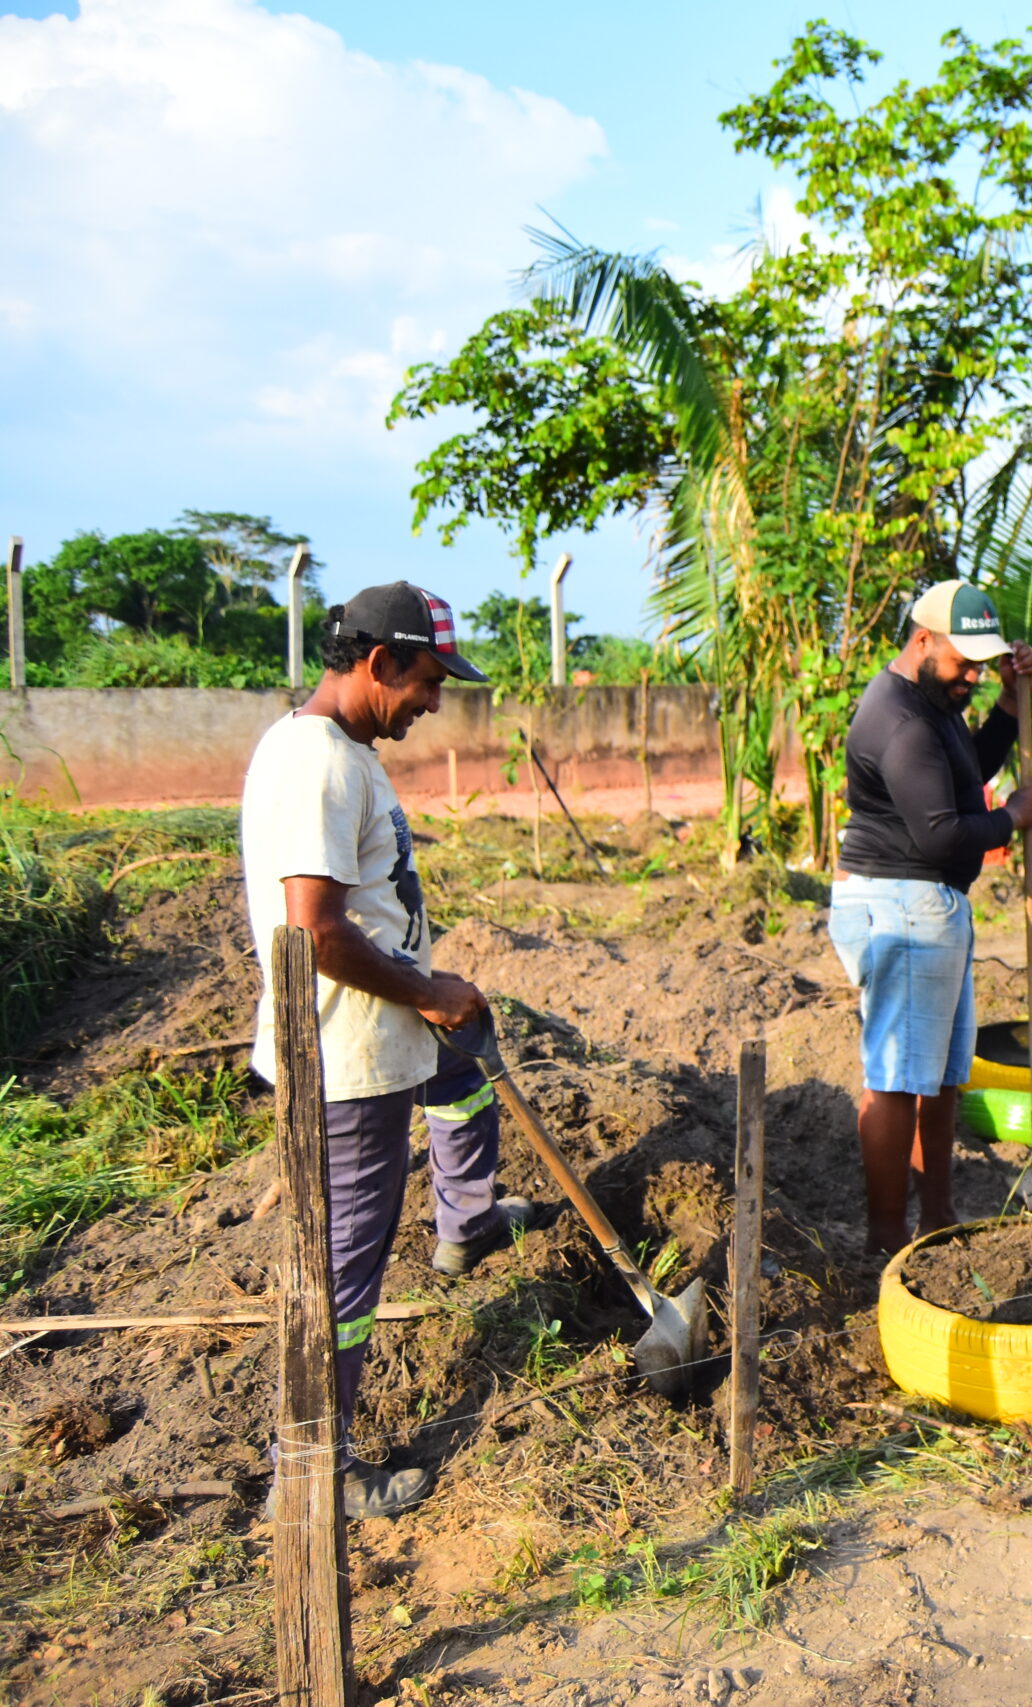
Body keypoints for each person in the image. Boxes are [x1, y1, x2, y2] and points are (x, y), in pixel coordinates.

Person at [241, 582, 531, 1520]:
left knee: (468, 1072)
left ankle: (468, 1221)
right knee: (345, 1271)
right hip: (348, 1061)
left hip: (387, 1029)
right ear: (377, 663)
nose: (436, 701)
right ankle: (317, 1465)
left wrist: (439, 1004)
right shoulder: (317, 763)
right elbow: (316, 932)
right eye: (428, 680)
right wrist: (429, 989)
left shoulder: (343, 749)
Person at [833, 580, 1032, 1255]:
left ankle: (939, 1218)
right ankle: (886, 1240)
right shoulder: (899, 721)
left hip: (930, 906)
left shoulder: (931, 698)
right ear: (923, 639)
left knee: (943, 1072)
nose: (974, 677)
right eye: (965, 663)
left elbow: (962, 771)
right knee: (897, 1078)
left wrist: (1010, 706)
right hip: (901, 905)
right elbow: (942, 833)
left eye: (985, 665)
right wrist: (1013, 816)